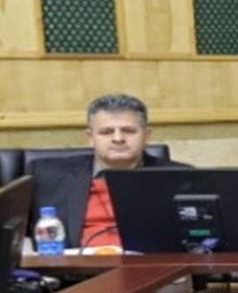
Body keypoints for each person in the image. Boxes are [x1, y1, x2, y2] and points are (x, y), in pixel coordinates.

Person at [29, 94, 187, 249]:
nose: (118, 138)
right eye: (106, 132)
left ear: (146, 136)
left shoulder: (180, 178)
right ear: (91, 137)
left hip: (149, 264)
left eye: (128, 131)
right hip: (75, 264)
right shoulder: (45, 175)